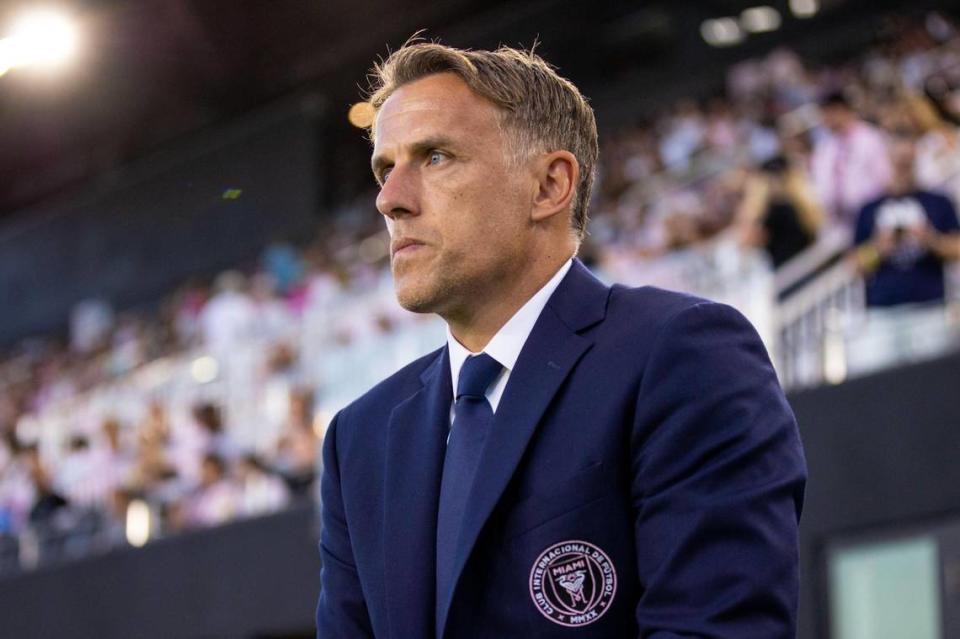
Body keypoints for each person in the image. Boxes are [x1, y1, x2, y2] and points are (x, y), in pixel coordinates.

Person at [317, 42, 806, 638]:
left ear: (550, 185)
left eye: (436, 157)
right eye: (384, 168)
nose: (389, 199)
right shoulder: (362, 436)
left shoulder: (682, 355)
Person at [853, 132, 960, 307]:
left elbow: (957, 249)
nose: (903, 168)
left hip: (929, 304)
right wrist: (879, 247)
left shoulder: (938, 202)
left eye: (908, 162)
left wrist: (930, 240)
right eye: (898, 162)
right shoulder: (869, 208)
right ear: (888, 161)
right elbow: (854, 265)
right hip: (884, 307)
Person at [810, 91, 893, 227]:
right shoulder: (825, 147)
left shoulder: (870, 138)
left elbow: (885, 177)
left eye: (829, 112)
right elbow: (820, 183)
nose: (826, 119)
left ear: (843, 110)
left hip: (871, 214)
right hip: (837, 220)